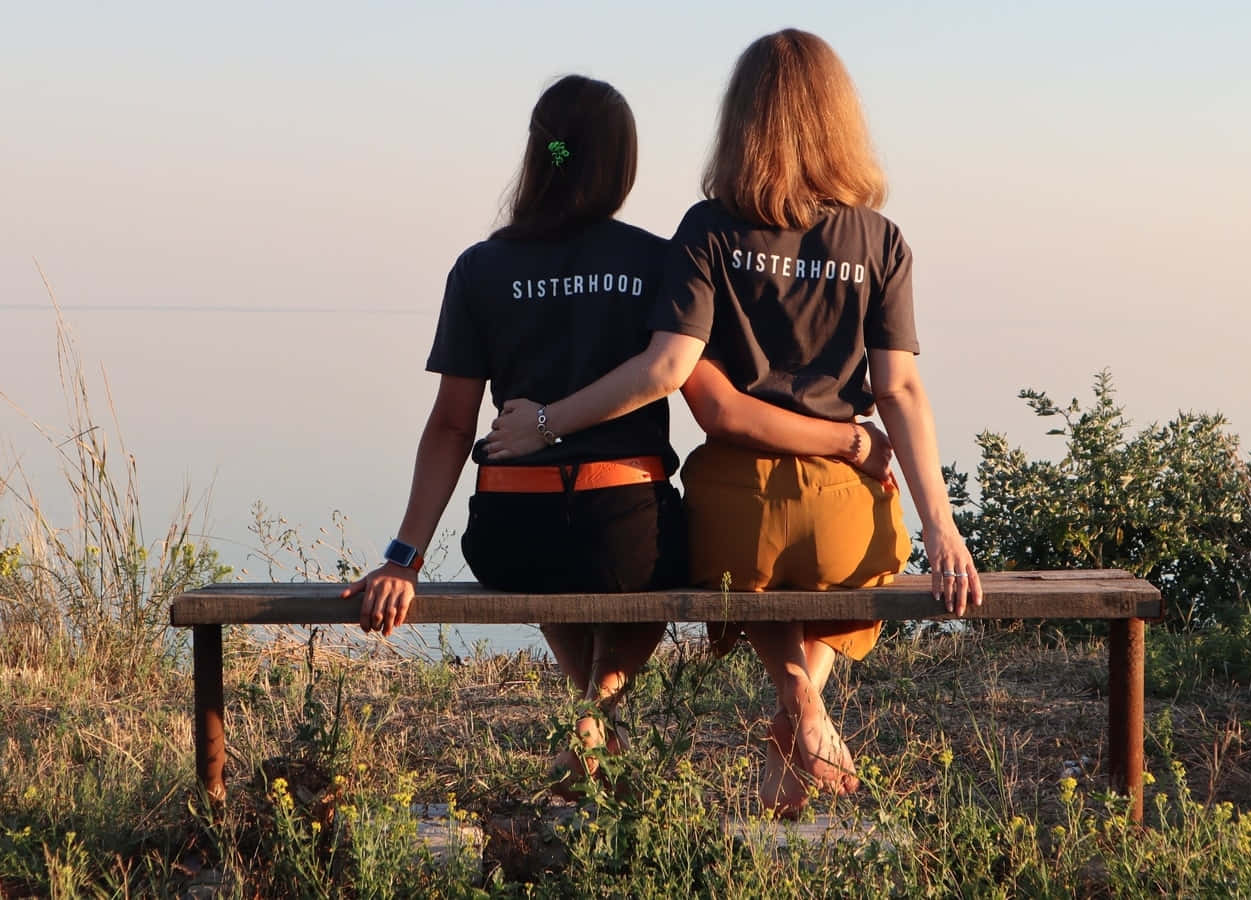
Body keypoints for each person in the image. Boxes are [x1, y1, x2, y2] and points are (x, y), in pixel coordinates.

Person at [341, 73, 892, 799]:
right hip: (626, 531)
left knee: (555, 560)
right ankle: (595, 714)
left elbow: (450, 426)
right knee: (652, 555)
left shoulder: (479, 268)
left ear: (539, 156)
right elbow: (697, 390)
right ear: (622, 165)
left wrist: (404, 556)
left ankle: (592, 726)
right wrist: (848, 437)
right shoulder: (655, 260)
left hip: (512, 534)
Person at [484, 31, 983, 816]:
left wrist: (544, 422)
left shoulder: (708, 231)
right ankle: (801, 714)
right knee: (859, 568)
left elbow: (686, 383)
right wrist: (941, 527)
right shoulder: (881, 241)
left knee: (742, 570)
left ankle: (796, 708)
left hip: (734, 508)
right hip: (848, 507)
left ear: (741, 120)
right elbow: (903, 392)